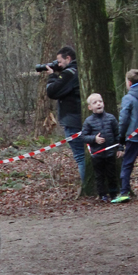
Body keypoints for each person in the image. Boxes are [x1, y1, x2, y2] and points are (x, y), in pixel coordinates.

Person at [45, 47, 85, 184]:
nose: (58, 64)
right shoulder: (79, 70)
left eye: (60, 61)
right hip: (79, 118)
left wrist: (52, 76)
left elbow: (52, 91)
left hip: (73, 120)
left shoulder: (69, 73)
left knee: (80, 156)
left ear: (68, 58)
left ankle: (88, 186)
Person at [112, 68, 138, 204]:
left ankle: (124, 192)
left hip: (133, 136)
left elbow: (124, 119)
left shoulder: (128, 98)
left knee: (127, 164)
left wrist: (121, 138)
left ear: (129, 83)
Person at [80, 94, 119, 202]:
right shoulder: (88, 121)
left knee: (112, 174)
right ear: (90, 107)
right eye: (95, 102)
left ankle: (114, 194)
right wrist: (94, 139)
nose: (98, 104)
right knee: (99, 176)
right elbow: (83, 137)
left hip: (110, 153)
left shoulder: (111, 118)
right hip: (97, 154)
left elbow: (118, 135)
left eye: (100, 101)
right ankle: (102, 195)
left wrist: (120, 148)